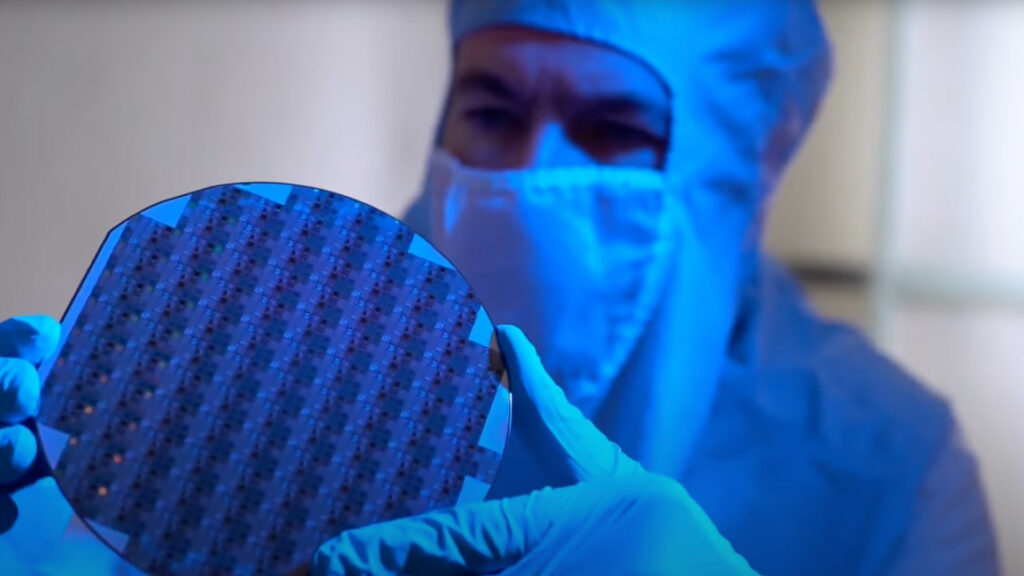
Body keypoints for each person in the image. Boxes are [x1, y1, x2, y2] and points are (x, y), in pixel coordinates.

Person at [0, 0, 1000, 574]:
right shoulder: (272, 335)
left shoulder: (891, 468)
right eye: (491, 107)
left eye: (613, 130)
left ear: (733, 176)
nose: (527, 173)